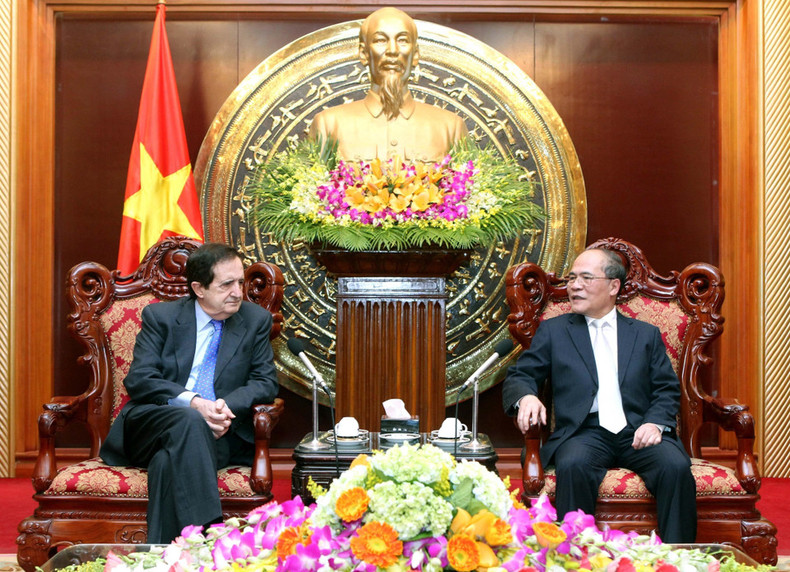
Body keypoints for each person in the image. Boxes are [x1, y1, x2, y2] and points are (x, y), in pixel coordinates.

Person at [502, 248, 697, 543]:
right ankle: (576, 556)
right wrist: (526, 397)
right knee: (573, 465)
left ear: (613, 286)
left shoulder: (645, 334)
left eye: (585, 278)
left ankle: (678, 555)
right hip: (584, 432)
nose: (575, 285)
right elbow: (522, 374)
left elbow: (666, 389)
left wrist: (655, 422)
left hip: (639, 429)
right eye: (571, 278)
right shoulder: (554, 331)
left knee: (675, 466)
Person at [100, 243, 279, 544]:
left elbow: (265, 382)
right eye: (226, 284)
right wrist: (194, 403)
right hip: (151, 424)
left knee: (166, 462)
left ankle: (164, 554)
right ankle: (209, 538)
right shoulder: (162, 318)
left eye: (240, 281)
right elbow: (140, 379)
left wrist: (222, 406)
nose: (238, 291)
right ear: (199, 288)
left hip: (219, 430)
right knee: (189, 418)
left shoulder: (254, 320)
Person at [308, 6, 468, 162]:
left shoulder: (450, 128)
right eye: (380, 40)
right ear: (364, 53)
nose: (392, 50)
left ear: (416, 54)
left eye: (403, 40)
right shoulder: (328, 125)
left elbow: (468, 185)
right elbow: (313, 186)